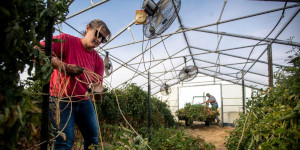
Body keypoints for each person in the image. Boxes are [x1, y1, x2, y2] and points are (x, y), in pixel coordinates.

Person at [41, 19, 111, 150]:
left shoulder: (98, 60)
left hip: (83, 102)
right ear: (88, 28)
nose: (99, 40)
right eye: (98, 34)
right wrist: (65, 67)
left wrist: (98, 93)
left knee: (93, 139)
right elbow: (39, 50)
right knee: (64, 142)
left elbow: (97, 85)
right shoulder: (67, 41)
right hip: (60, 100)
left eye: (103, 39)